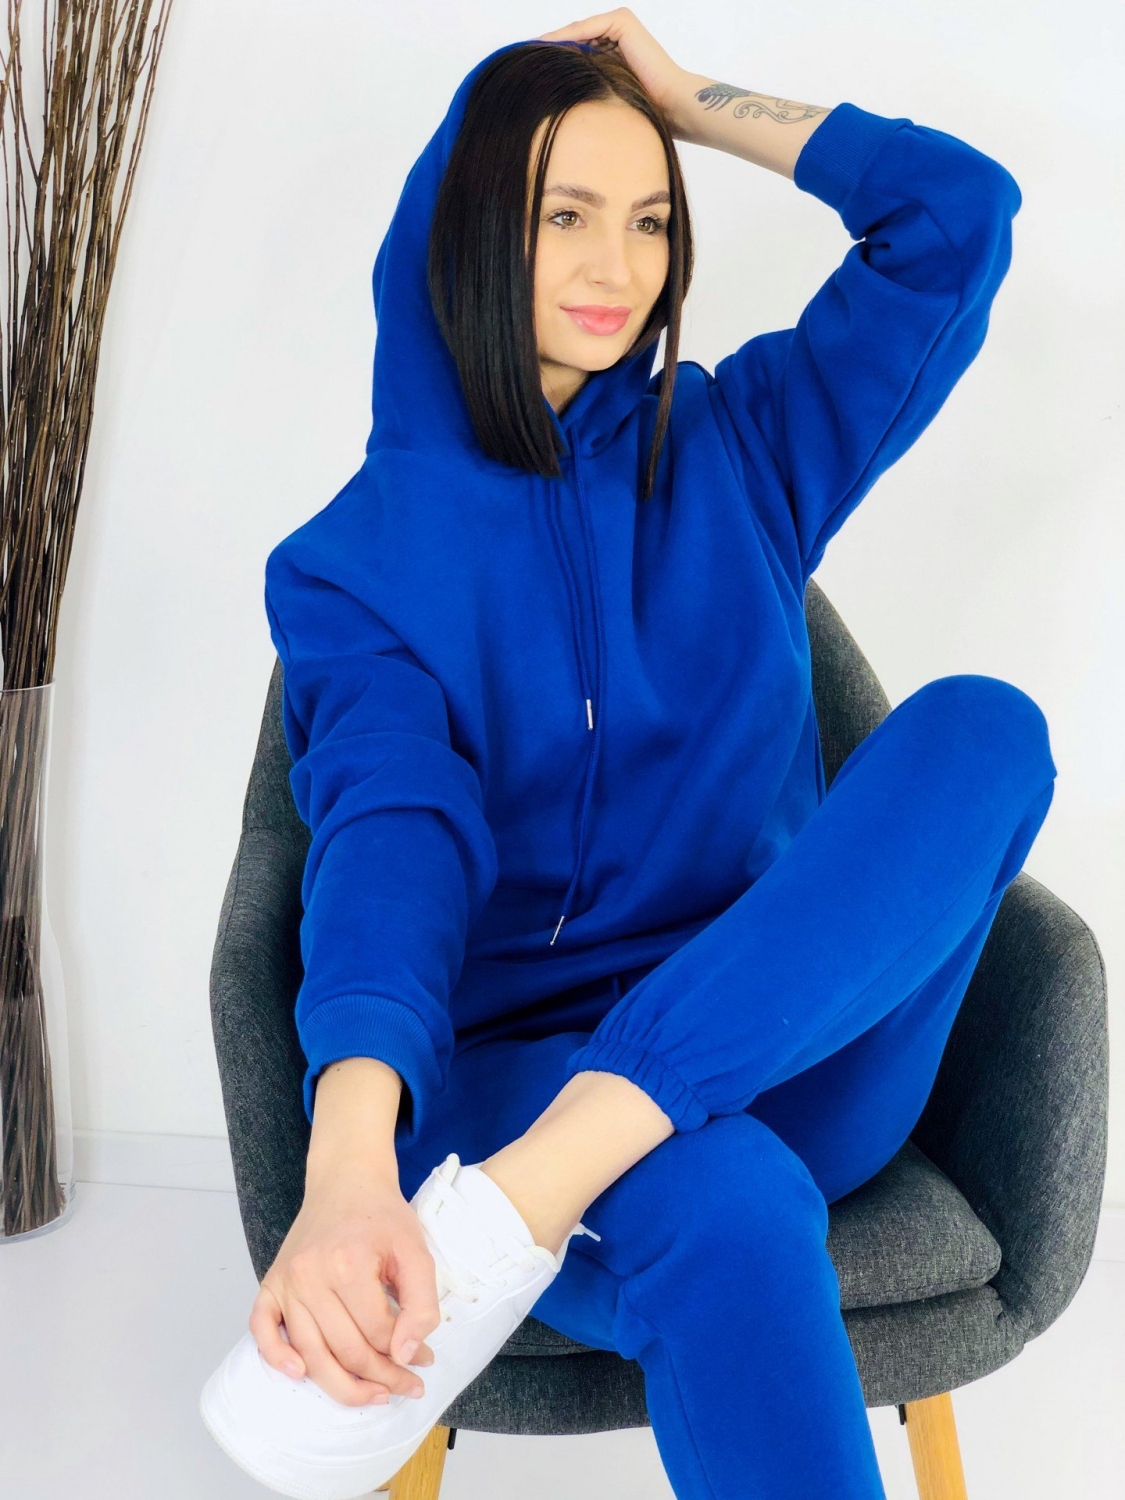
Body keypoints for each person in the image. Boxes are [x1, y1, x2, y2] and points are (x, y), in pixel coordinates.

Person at [200, 16, 1057, 1500]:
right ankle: (577, 1151)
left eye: (651, 218)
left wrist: (685, 101)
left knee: (984, 728)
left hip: (784, 1045)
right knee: (725, 1197)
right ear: (474, 226)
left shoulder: (744, 447)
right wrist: (346, 1166)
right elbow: (392, 836)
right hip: (514, 1087)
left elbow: (954, 216)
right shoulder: (356, 566)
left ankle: (557, 1175)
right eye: (564, 215)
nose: (617, 266)